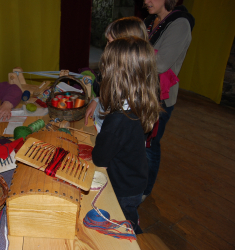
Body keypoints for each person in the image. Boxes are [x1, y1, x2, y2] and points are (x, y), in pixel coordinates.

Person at [92, 37, 160, 234]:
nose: (101, 73)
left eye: (105, 68)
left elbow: (99, 157)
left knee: (122, 224)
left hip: (122, 187)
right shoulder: (138, 104)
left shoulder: (118, 119)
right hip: (134, 179)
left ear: (116, 75)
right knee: (128, 214)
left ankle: (133, 236)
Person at [142, 0, 195, 201]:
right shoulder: (150, 21)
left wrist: (130, 49)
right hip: (141, 92)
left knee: (150, 145)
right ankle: (134, 181)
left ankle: (145, 190)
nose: (146, 1)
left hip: (159, 97)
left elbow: (162, 63)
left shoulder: (180, 23)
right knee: (137, 142)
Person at [84, 16, 148, 130]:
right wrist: (96, 100)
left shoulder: (133, 98)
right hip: (102, 126)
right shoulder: (113, 70)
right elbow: (101, 90)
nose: (106, 47)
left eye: (109, 42)